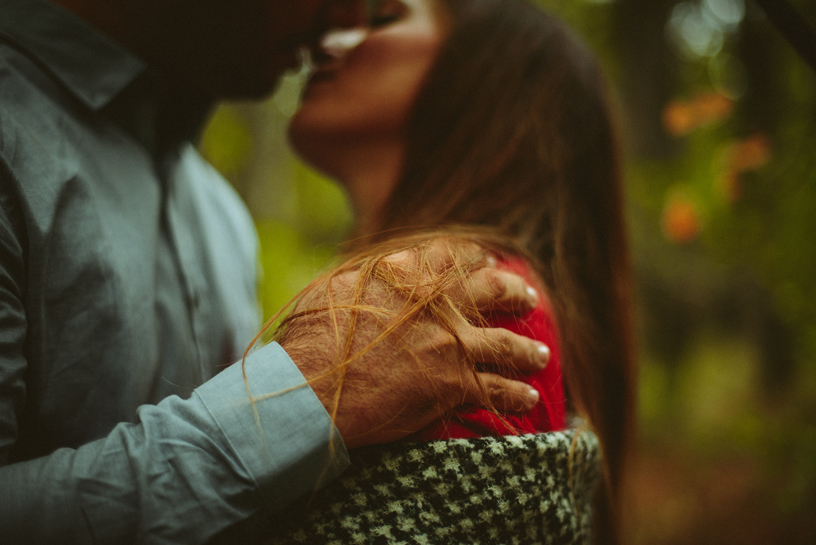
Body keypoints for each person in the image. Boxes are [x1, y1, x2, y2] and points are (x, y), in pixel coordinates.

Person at [0, 0, 549, 542]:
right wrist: (301, 396)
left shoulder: (220, 215)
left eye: (383, 17)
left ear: (476, 82)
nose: (347, 24)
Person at [260, 0, 636, 542]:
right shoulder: (468, 291)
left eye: (384, 19)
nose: (327, 41)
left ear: (483, 81)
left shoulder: (478, 303)